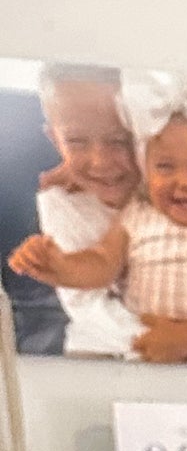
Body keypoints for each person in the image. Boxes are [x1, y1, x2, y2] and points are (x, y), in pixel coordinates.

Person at [11, 74, 187, 369]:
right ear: (148, 173)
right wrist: (60, 265)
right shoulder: (136, 216)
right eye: (165, 167)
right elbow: (101, 263)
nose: (185, 182)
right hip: (138, 356)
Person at [9, 65, 144, 360]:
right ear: (54, 140)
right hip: (103, 346)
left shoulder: (179, 188)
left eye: (120, 140)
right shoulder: (60, 202)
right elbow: (85, 305)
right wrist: (157, 338)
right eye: (77, 142)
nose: (100, 161)